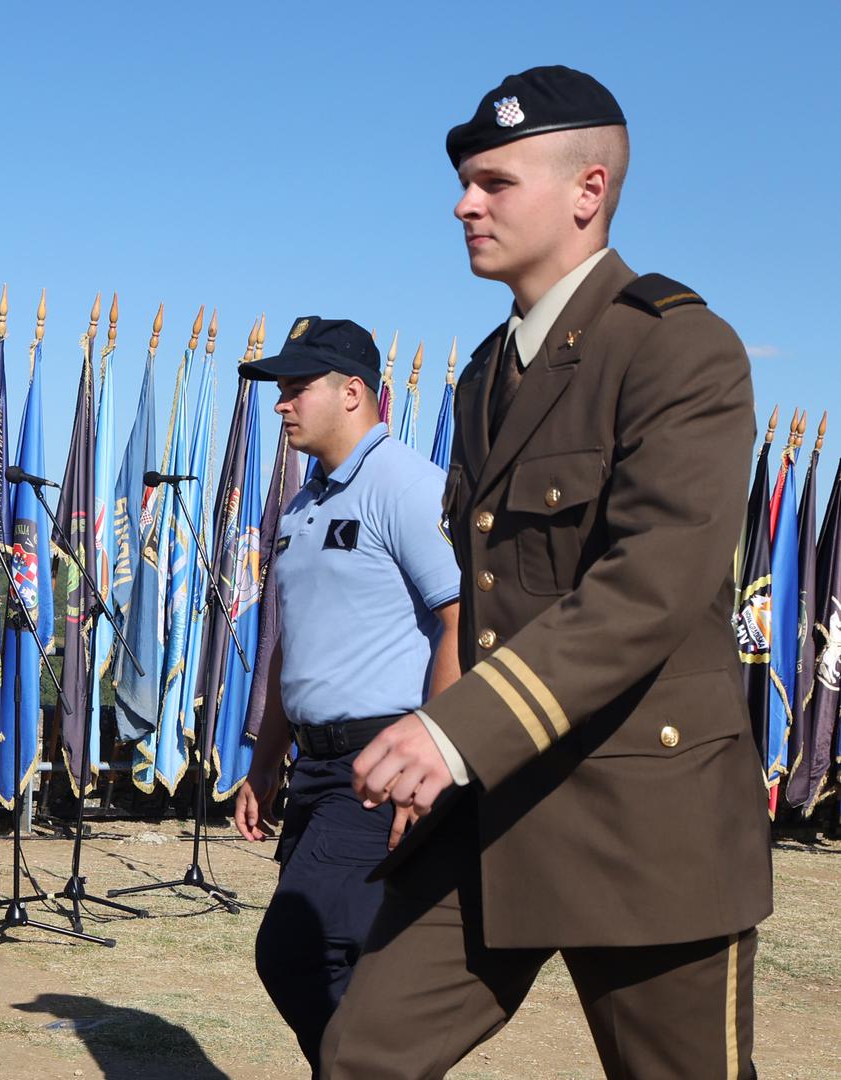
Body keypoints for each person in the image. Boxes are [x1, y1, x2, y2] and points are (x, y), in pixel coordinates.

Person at [323, 66, 772, 1078]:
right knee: (363, 1055)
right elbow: (482, 603)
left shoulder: (677, 351)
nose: (462, 202)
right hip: (489, 809)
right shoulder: (488, 370)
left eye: (493, 181)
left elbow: (648, 586)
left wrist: (452, 732)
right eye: (463, 182)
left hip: (642, 820)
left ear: (588, 188)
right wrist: (438, 751)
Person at [232, 316, 460, 1069]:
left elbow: (463, 618)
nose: (281, 404)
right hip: (316, 767)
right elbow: (291, 645)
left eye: (296, 387)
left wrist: (433, 754)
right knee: (346, 963)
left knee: (298, 951)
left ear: (353, 392)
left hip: (384, 759)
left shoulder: (406, 484)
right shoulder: (299, 508)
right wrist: (264, 763)